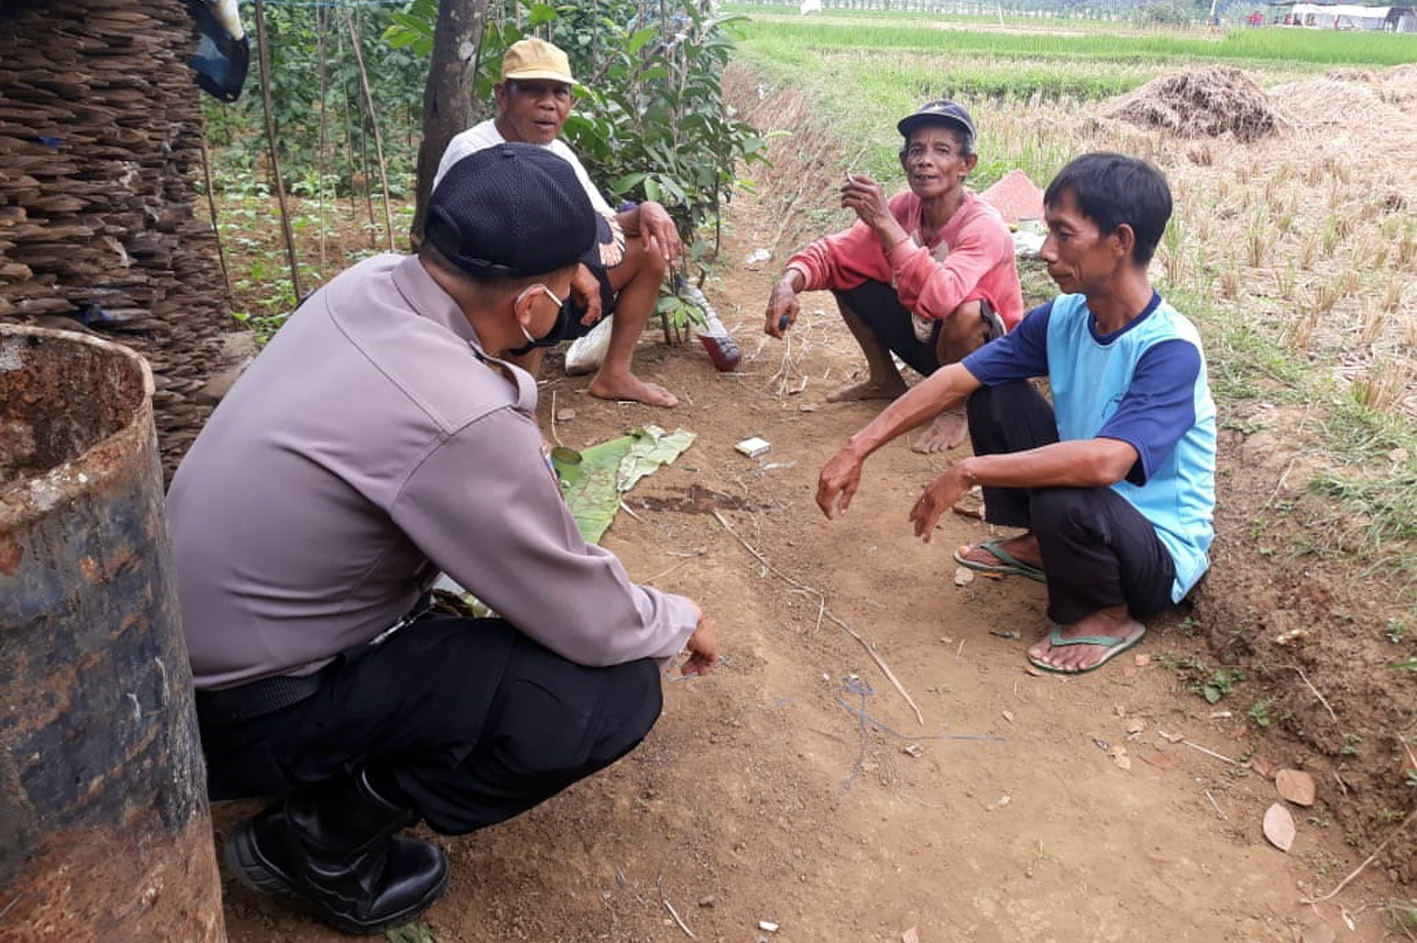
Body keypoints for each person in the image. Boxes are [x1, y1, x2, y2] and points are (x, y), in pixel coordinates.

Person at [168, 143, 718, 934]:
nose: (583, 292)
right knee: (605, 693)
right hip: (243, 714)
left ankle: (333, 759)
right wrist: (675, 615)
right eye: (572, 281)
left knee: (470, 627)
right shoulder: (458, 415)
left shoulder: (365, 285)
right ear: (532, 308)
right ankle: (315, 843)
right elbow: (587, 617)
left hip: (179, 664)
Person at [815, 153, 1215, 675]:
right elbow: (956, 378)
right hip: (1095, 508)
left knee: (1070, 492)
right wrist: (858, 446)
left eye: (1063, 235)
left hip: (1154, 553)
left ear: (1120, 242)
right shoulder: (1068, 317)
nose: (1045, 251)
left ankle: (1110, 614)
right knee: (995, 392)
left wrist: (968, 470)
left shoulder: (1170, 348)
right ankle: (1042, 547)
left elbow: (1105, 466)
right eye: (1047, 231)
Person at [763, 100, 1024, 453]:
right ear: (904, 162)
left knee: (967, 310)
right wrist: (787, 283)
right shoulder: (903, 208)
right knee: (847, 273)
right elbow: (833, 253)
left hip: (985, 361)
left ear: (967, 165)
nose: (924, 160)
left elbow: (940, 299)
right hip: (932, 340)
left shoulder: (984, 225)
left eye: (941, 150)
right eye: (916, 150)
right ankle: (885, 378)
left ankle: (957, 406)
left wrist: (885, 224)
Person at [435, 37, 680, 408]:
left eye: (559, 93)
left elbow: (604, 223)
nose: (549, 103)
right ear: (503, 97)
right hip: (485, 289)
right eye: (533, 90)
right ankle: (517, 412)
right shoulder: (473, 151)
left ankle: (615, 374)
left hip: (553, 279)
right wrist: (569, 270)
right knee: (532, 281)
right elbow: (488, 249)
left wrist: (646, 211)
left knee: (648, 250)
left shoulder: (558, 154)